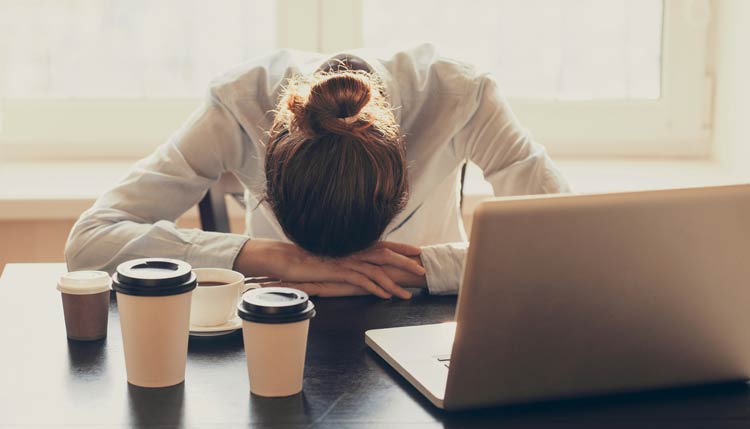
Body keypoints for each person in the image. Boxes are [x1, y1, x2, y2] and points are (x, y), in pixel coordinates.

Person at [65, 43, 570, 299]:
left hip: (425, 316)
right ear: (270, 171)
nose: (343, 267)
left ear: (402, 173)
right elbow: (90, 241)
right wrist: (270, 257)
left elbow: (571, 241)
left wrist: (422, 269)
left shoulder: (463, 95)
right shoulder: (240, 101)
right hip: (280, 306)